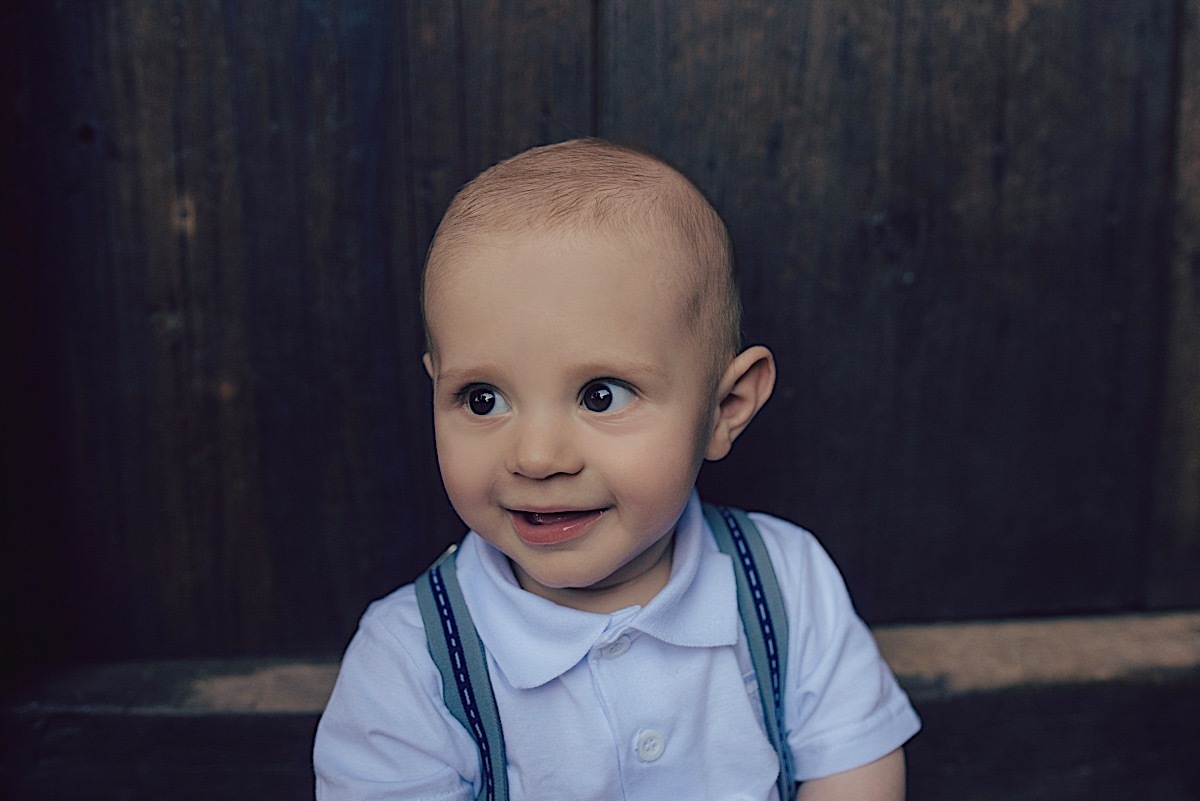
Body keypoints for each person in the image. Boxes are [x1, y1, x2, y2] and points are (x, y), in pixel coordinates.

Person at [314, 138, 920, 800]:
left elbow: (854, 766)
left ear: (724, 408)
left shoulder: (784, 583)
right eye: (483, 399)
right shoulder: (413, 661)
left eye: (601, 395)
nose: (536, 457)